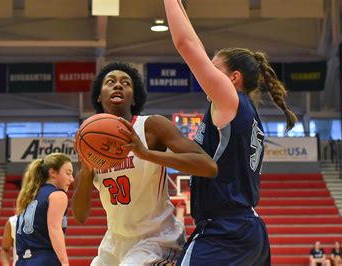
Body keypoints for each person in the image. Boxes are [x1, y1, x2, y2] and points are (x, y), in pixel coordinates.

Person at [164, 0, 298, 265]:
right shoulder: (242, 111)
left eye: (214, 68)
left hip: (225, 232)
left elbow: (187, 45)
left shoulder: (229, 101)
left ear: (233, 78)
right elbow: (195, 44)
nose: (206, 72)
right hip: (246, 229)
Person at [72, 62, 218, 265]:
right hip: (115, 242)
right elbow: (80, 216)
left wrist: (145, 154)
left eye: (126, 83)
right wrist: (87, 172)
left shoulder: (151, 126)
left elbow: (207, 166)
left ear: (134, 98)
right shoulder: (92, 144)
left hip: (157, 238)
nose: (118, 85)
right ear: (99, 95)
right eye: (110, 82)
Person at [15, 153, 75, 266]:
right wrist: (64, 262)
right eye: (68, 173)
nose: (72, 179)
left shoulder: (29, 195)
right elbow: (54, 229)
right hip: (44, 259)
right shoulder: (57, 195)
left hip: (22, 261)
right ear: (52, 172)